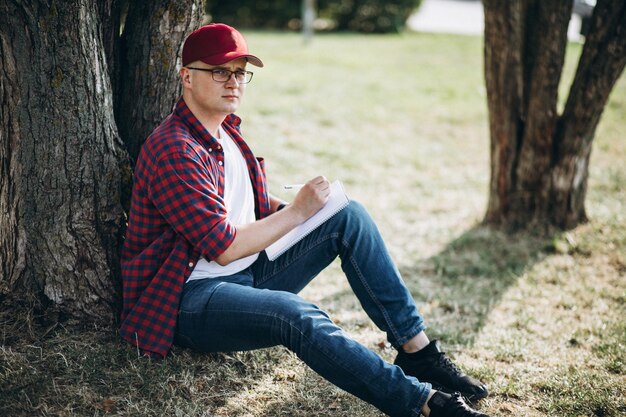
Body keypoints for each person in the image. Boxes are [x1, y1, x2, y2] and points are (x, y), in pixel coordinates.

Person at [120, 23, 491, 417]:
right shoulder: (174, 149)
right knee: (296, 314)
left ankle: (419, 353)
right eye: (219, 71)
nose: (233, 82)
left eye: (240, 72)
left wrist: (311, 213)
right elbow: (224, 247)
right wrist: (299, 211)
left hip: (246, 274)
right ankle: (421, 403)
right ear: (186, 77)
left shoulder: (225, 131)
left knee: (348, 216)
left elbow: (250, 205)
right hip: (189, 298)